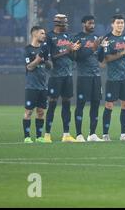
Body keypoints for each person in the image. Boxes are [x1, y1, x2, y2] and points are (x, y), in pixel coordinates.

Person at [43, 14, 80, 143]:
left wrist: (74, 50)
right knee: (52, 104)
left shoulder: (69, 36)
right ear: (58, 23)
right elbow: (49, 57)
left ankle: (66, 134)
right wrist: (67, 50)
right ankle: (47, 134)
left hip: (68, 75)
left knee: (67, 105)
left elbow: (73, 58)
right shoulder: (49, 37)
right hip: (55, 76)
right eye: (64, 23)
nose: (66, 25)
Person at [72, 15, 106, 142]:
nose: (92, 25)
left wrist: (102, 48)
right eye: (90, 23)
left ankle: (92, 134)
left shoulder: (96, 38)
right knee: (80, 104)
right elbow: (78, 57)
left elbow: (101, 59)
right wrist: (94, 47)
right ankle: (79, 134)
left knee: (96, 104)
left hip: (96, 76)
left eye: (93, 23)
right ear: (83, 24)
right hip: (83, 76)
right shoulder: (78, 38)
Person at [101, 14, 125, 141]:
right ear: (112, 24)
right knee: (109, 105)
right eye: (118, 23)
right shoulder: (107, 39)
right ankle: (105, 134)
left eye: (122, 23)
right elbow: (107, 58)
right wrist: (124, 51)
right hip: (112, 78)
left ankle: (123, 134)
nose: (120, 25)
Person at [22, 26, 51, 143]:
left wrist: (46, 59)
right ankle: (27, 137)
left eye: (44, 33)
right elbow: (29, 67)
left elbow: (49, 67)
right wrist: (39, 58)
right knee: (29, 111)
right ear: (34, 34)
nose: (44, 35)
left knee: (41, 112)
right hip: (31, 86)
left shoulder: (45, 49)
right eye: (42, 33)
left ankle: (39, 137)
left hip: (43, 86)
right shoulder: (28, 49)